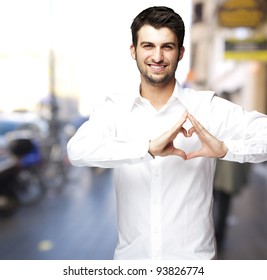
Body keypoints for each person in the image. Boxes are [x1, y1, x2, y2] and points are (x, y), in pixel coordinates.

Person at [67, 6, 267, 259]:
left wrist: (227, 150)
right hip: (132, 264)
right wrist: (146, 148)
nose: (157, 56)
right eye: (148, 45)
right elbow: (77, 151)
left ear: (181, 53)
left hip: (194, 265)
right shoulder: (115, 110)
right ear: (134, 51)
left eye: (167, 47)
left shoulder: (206, 107)